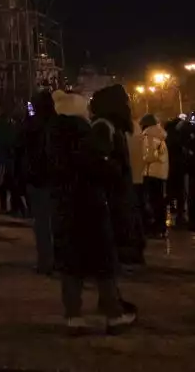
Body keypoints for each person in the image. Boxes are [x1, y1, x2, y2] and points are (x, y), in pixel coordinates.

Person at [48, 90, 134, 335]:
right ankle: (114, 316)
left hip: (63, 206)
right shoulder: (84, 133)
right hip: (90, 205)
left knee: (71, 266)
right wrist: (114, 168)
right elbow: (97, 167)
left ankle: (73, 316)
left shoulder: (53, 134)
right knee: (103, 263)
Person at [90, 84, 146, 271]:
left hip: (110, 193)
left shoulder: (103, 126)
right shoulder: (119, 127)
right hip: (121, 189)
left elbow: (100, 160)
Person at [22, 89, 57, 275]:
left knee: (42, 224)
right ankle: (57, 260)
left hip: (38, 178)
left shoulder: (32, 124)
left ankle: (45, 262)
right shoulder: (56, 122)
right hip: (56, 178)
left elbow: (22, 144)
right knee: (55, 222)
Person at [139, 113, 169, 238]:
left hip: (151, 171)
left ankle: (155, 228)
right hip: (160, 172)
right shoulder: (159, 134)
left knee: (152, 201)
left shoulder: (149, 135)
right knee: (159, 200)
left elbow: (150, 155)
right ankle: (160, 227)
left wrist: (141, 159)